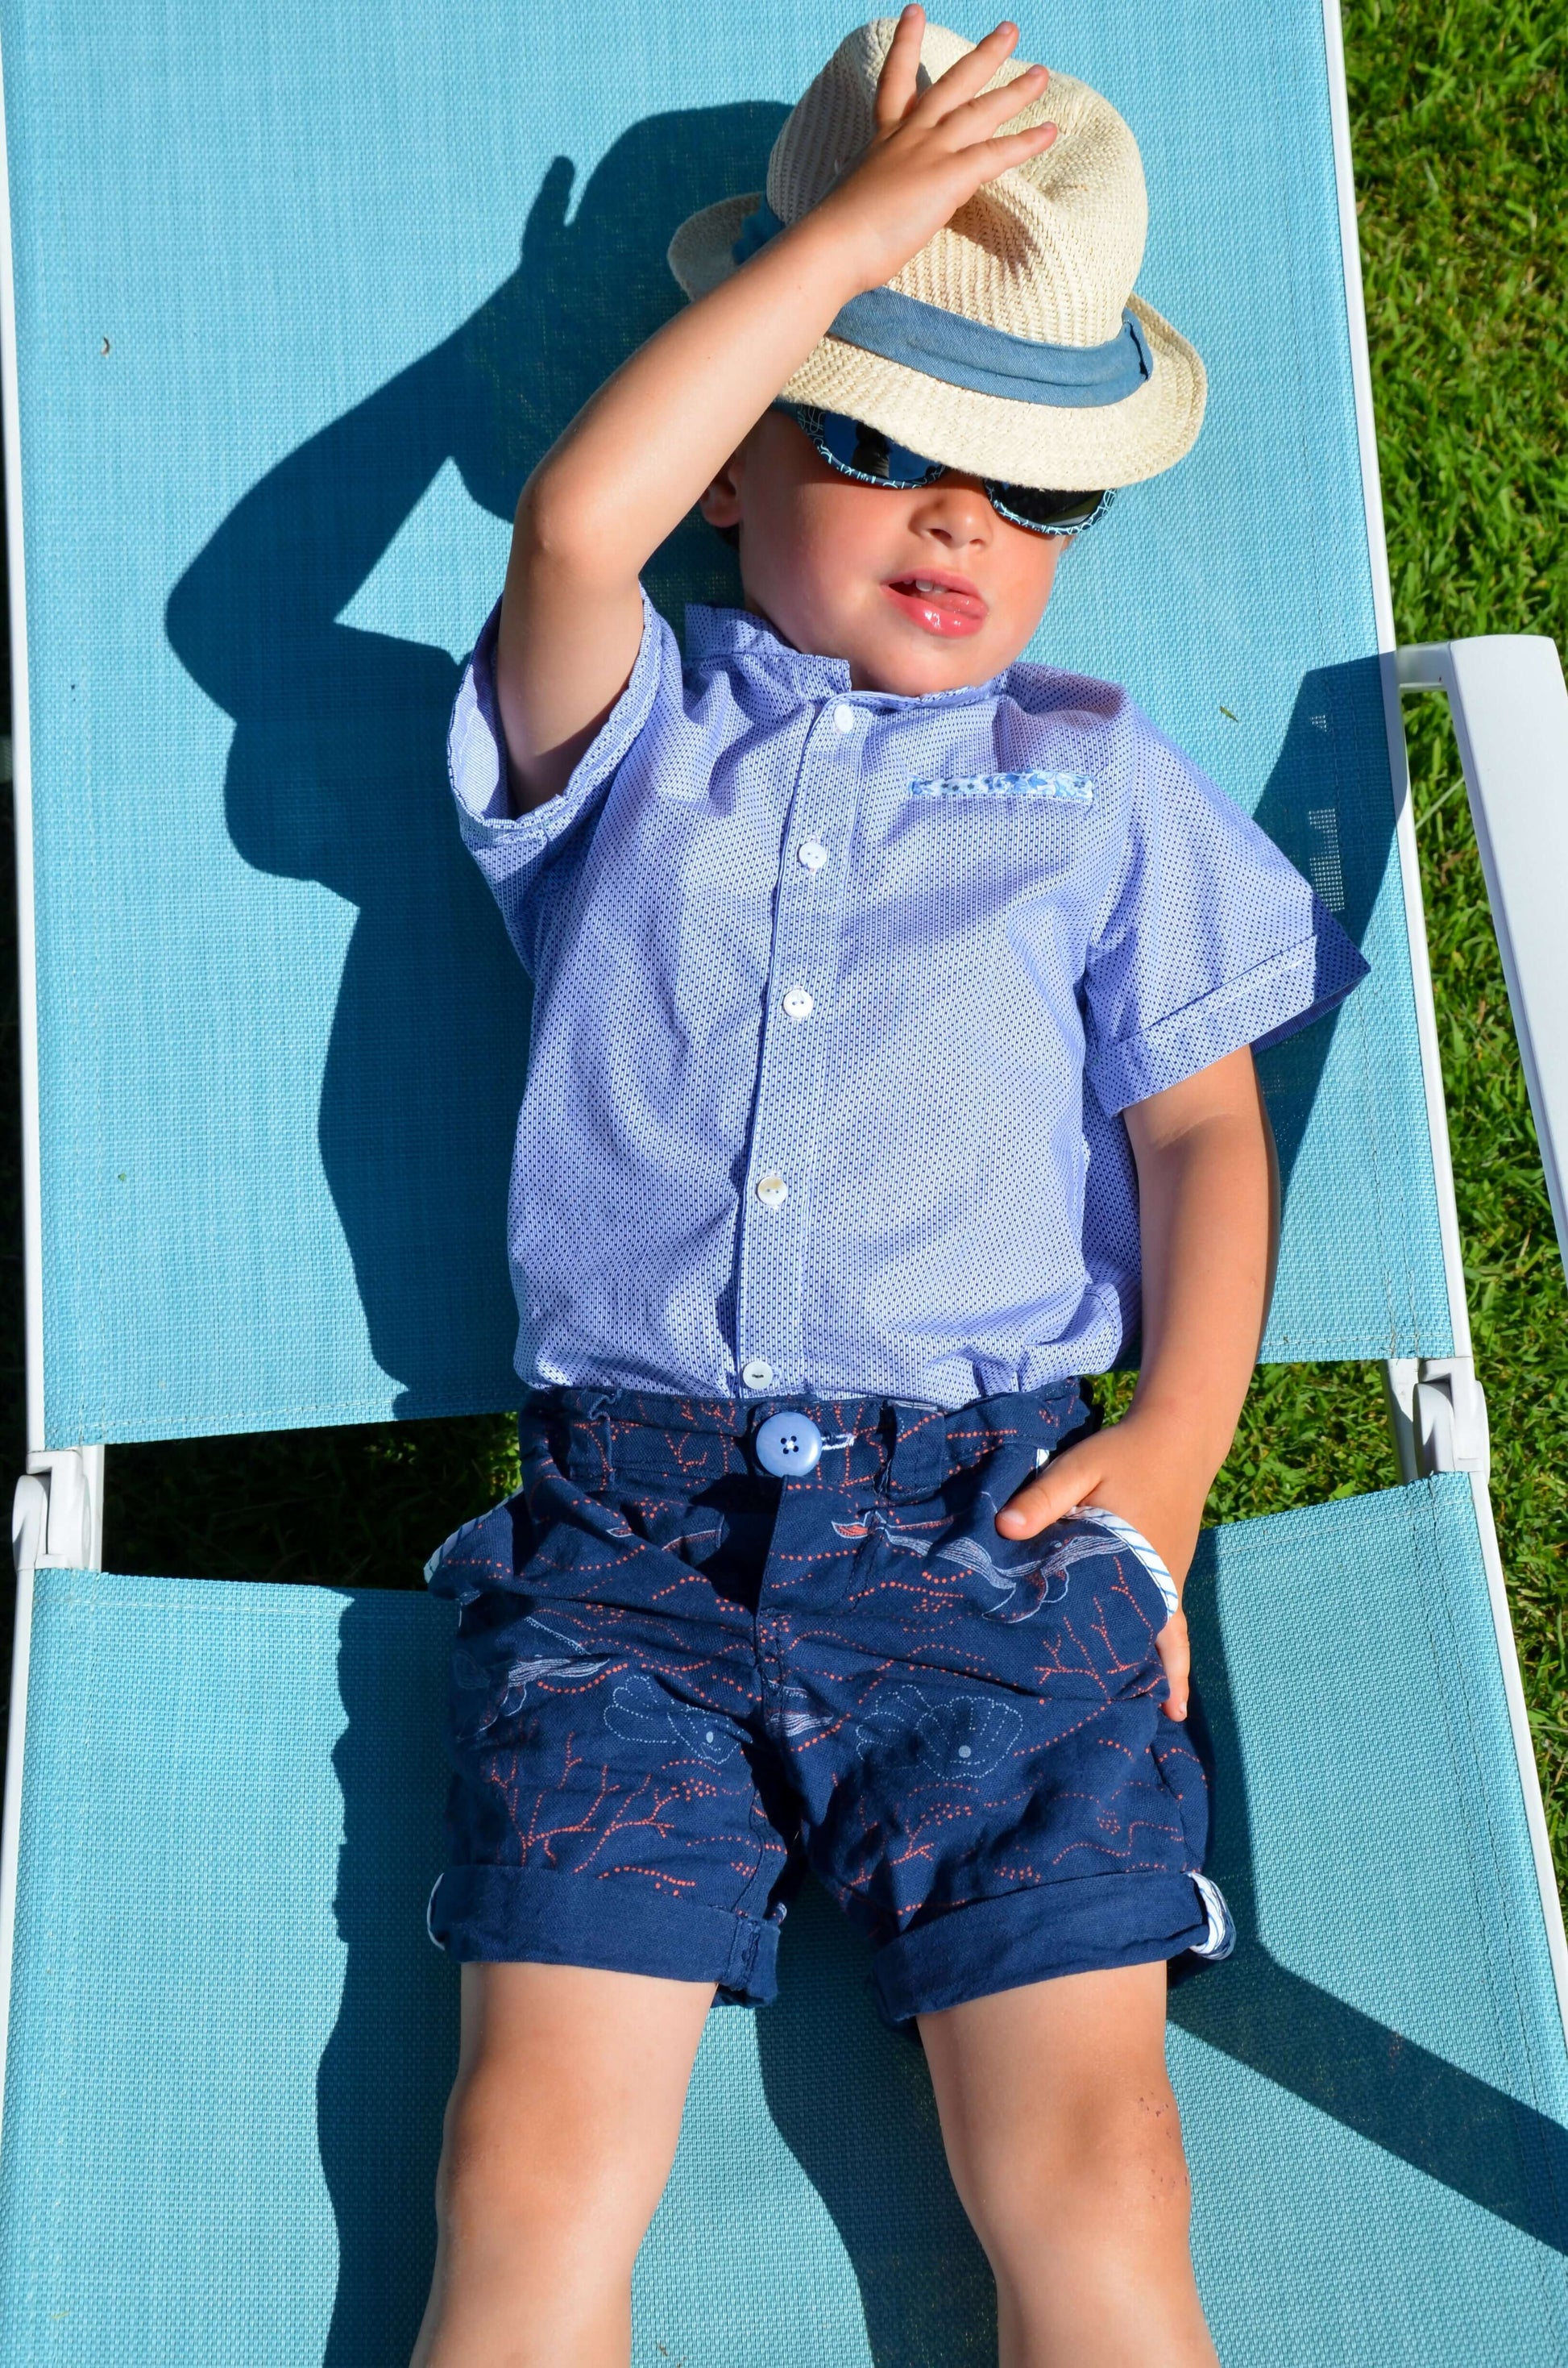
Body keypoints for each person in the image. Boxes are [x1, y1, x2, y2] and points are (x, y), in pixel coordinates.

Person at [411, 15, 1367, 2364]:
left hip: (996, 1531)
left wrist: (1171, 1463)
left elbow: (1201, 1135)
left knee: (1094, 2173)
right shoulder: (625, 725)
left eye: (1029, 488)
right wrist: (842, 235)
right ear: (733, 460)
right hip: (624, 1557)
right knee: (530, 2179)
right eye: (875, 435)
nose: (958, 515)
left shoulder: (1097, 787)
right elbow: (564, 520)